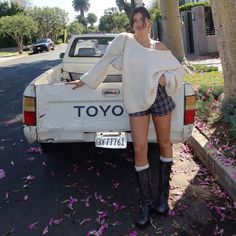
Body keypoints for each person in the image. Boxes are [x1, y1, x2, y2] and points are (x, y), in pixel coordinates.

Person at [66, 6, 185, 229]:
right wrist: (84, 80)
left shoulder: (159, 47)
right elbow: (106, 59)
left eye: (142, 20)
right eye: (134, 20)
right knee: (139, 148)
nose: (137, 24)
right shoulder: (124, 40)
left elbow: (178, 71)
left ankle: (162, 197)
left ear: (149, 22)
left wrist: (165, 79)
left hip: (159, 98)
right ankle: (146, 202)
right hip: (136, 99)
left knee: (164, 143)